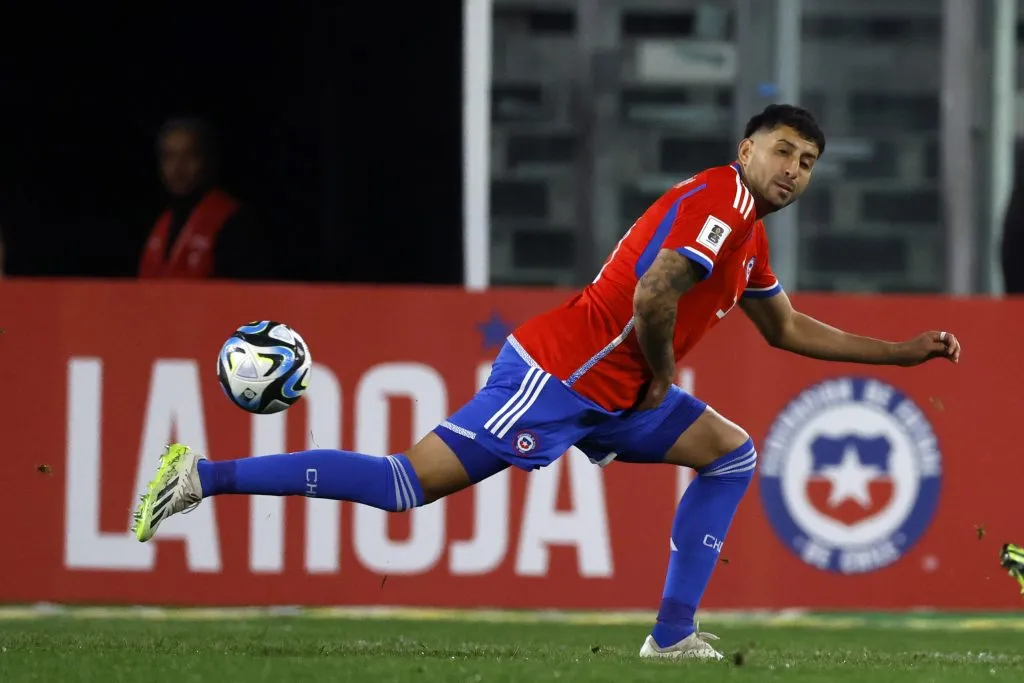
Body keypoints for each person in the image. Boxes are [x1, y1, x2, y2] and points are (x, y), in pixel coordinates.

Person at [131, 105, 961, 660]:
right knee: (402, 484)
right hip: (563, 378)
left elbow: (783, 327)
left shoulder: (745, 234)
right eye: (784, 151)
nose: (794, 170)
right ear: (747, 149)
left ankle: (672, 638)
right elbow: (654, 291)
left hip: (615, 391)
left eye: (808, 162)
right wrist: (663, 378)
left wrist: (902, 352)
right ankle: (200, 476)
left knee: (733, 455)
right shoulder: (721, 203)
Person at [138, 118, 262, 280]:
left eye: (189, 156)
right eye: (169, 157)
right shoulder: (161, 221)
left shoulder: (233, 221)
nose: (178, 168)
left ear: (208, 160)